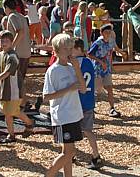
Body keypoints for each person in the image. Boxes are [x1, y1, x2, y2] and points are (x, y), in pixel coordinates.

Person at [43, 33, 86, 177]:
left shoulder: (71, 67)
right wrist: (69, 89)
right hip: (62, 116)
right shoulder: (53, 71)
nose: (69, 51)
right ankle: (48, 174)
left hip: (73, 114)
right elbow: (46, 96)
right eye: (65, 49)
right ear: (55, 51)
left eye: (70, 48)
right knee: (70, 153)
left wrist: (77, 68)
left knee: (67, 153)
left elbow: (83, 88)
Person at [0, 30, 34, 143]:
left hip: (14, 90)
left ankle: (16, 132)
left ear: (11, 42)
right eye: (2, 40)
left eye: (7, 40)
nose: (4, 42)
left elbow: (7, 72)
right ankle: (24, 127)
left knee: (10, 113)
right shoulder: (0, 55)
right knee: (11, 112)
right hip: (4, 90)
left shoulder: (12, 56)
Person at [72, 38, 102, 170]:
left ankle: (70, 154)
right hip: (88, 101)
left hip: (77, 100)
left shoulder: (74, 63)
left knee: (72, 129)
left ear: (78, 49)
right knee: (87, 130)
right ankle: (96, 155)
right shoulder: (89, 62)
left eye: (71, 49)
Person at [88, 24, 121, 118]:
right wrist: (100, 61)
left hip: (107, 69)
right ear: (101, 33)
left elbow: (113, 51)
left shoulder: (111, 41)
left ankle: (112, 108)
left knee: (109, 88)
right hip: (97, 69)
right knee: (95, 90)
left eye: (109, 32)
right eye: (106, 32)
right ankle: (91, 109)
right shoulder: (97, 43)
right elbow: (89, 54)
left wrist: (111, 64)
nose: (108, 34)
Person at [4, 0, 32, 109]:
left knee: (16, 79)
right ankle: (23, 101)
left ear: (6, 7)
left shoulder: (12, 16)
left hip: (18, 53)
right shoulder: (22, 16)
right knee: (20, 79)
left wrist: (11, 47)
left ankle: (22, 102)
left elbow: (19, 32)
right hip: (26, 51)